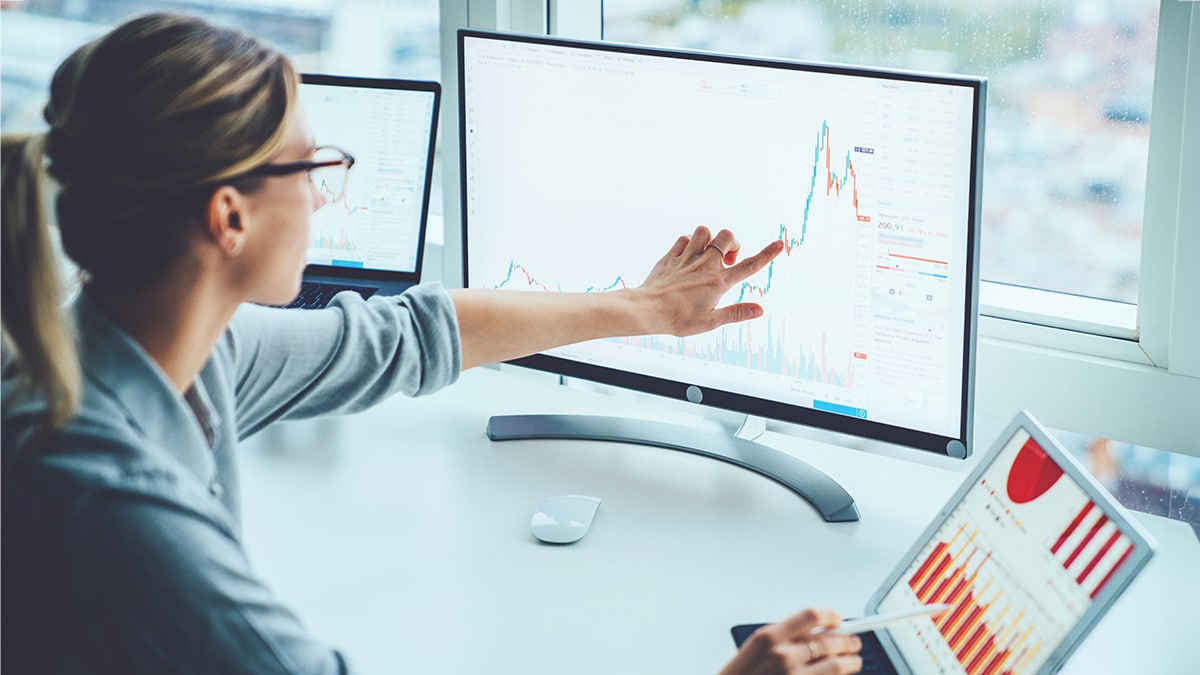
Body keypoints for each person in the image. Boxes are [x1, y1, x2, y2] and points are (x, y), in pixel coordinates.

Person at [0, 12, 862, 675]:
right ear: (229, 217)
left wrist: (646, 308)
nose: (326, 194)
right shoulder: (110, 504)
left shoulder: (144, 346)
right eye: (311, 168)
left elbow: (409, 335)